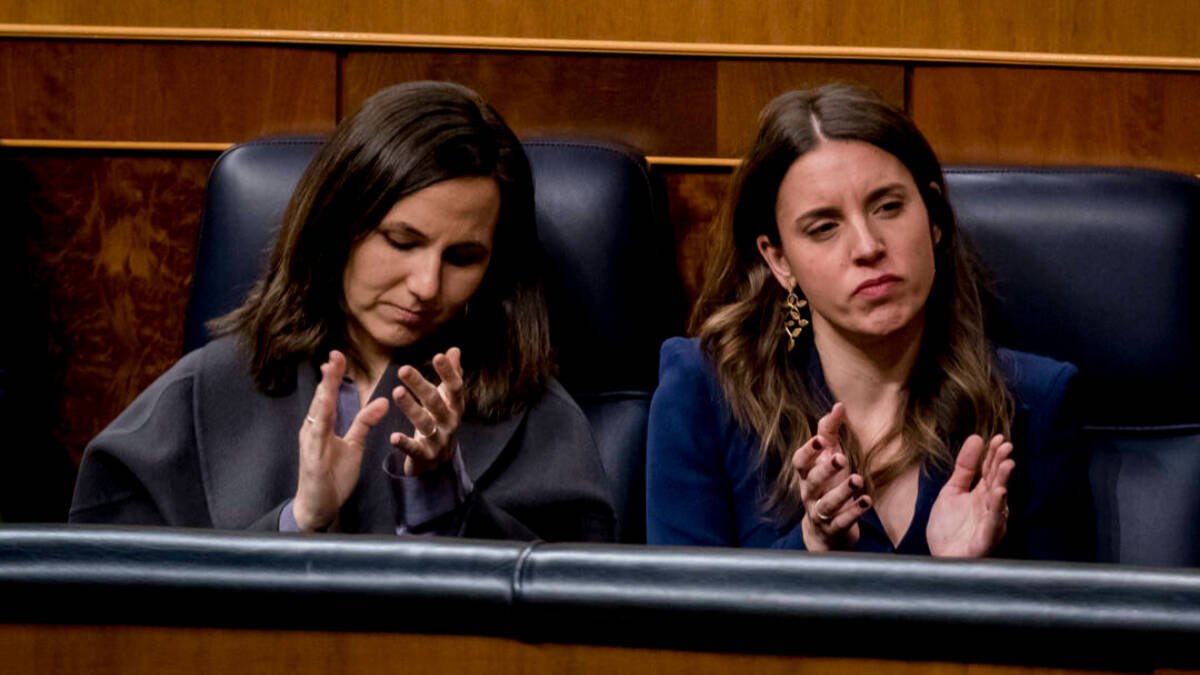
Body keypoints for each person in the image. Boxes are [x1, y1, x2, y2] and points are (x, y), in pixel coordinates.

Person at [70, 81, 616, 542]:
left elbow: (582, 618)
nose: (426, 285)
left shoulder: (535, 414)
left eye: (464, 257)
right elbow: (112, 597)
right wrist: (298, 521)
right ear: (336, 228)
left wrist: (446, 503)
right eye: (401, 241)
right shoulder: (206, 387)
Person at [646, 83, 1091, 559]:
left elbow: (1063, 628)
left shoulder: (1033, 404)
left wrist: (965, 579)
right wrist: (812, 546)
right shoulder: (706, 391)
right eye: (824, 227)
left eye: (888, 207)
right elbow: (684, 625)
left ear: (933, 219)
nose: (868, 246)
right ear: (779, 260)